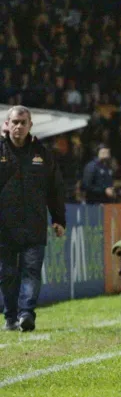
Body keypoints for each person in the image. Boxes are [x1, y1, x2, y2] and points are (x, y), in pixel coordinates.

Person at [0, 106, 66, 332]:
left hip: (34, 224)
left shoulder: (43, 154)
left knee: (31, 271)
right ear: (7, 124)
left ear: (30, 126)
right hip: (3, 227)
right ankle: (10, 317)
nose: (18, 126)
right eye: (14, 122)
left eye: (22, 122)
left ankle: (26, 314)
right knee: (7, 275)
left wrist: (59, 219)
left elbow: (55, 189)